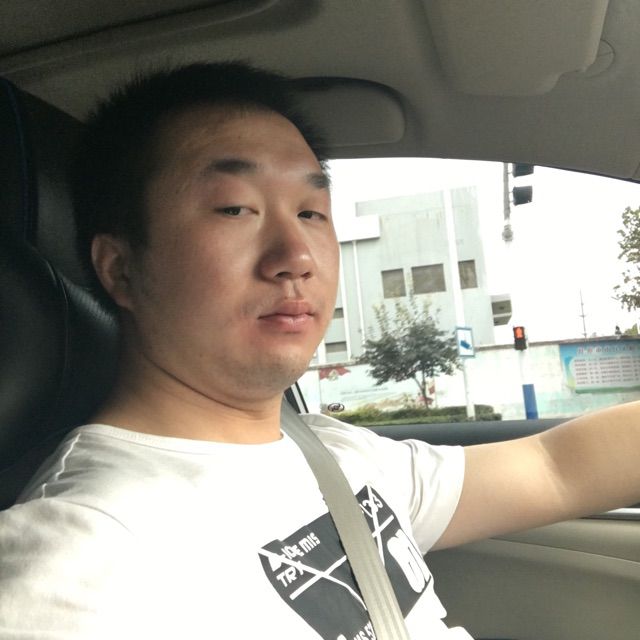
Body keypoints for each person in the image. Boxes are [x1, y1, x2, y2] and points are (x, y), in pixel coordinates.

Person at [0, 61, 639, 640]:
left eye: (311, 213)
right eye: (234, 209)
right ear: (121, 269)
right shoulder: (76, 553)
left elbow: (555, 468)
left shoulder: (333, 453)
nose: (296, 257)